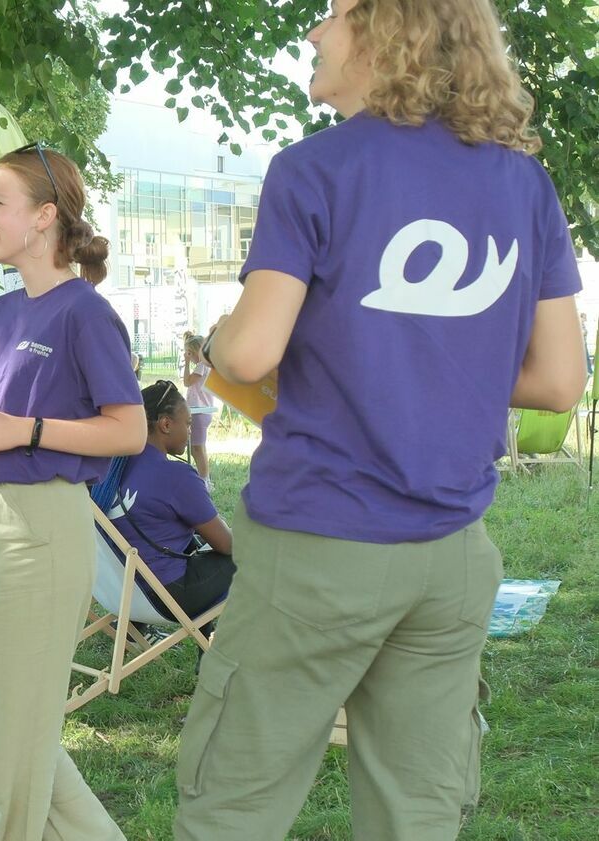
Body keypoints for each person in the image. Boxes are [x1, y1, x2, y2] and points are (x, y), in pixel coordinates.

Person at [172, 2, 587, 840]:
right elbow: (560, 381)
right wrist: (425, 359)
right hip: (451, 561)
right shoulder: (522, 181)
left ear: (386, 27)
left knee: (233, 808)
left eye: (330, 13)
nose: (313, 32)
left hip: (318, 549)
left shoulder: (314, 169)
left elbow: (248, 356)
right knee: (418, 816)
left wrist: (214, 334)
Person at [0, 143, 145, 841]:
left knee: (14, 737)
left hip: (46, 524)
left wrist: (21, 429)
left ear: (45, 216)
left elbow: (130, 431)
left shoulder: (84, 313)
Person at [110, 381, 233, 623]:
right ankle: (214, 650)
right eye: (188, 423)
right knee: (252, 555)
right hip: (168, 596)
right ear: (166, 424)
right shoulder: (176, 476)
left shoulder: (113, 467)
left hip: (122, 593)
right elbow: (227, 546)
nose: (190, 432)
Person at [182, 335, 214, 486]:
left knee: (197, 449)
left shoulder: (201, 366)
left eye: (189, 352)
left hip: (199, 411)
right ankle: (204, 477)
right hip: (202, 411)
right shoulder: (205, 366)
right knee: (198, 448)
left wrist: (187, 363)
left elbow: (187, 382)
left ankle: (205, 480)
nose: (188, 355)